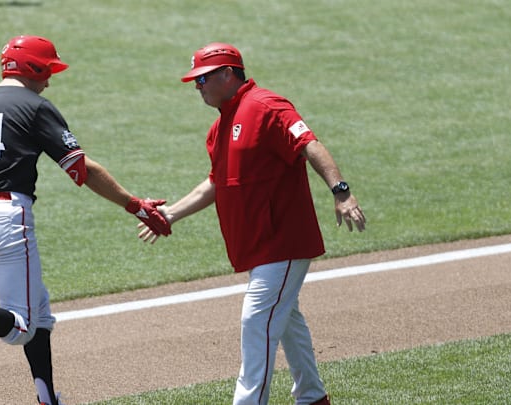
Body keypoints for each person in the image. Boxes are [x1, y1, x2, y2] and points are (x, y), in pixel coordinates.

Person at [0, 35, 171, 405]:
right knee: (21, 327)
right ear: (32, 68)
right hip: (6, 221)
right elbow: (82, 169)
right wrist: (135, 205)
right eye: (47, 70)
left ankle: (47, 399)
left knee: (39, 313)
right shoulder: (35, 107)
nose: (49, 80)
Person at [138, 43, 366, 405]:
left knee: (256, 322)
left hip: (283, 242)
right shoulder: (218, 129)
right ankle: (312, 397)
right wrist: (171, 214)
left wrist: (341, 191)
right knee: (287, 322)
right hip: (257, 248)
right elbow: (216, 182)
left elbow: (309, 143)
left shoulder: (267, 106)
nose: (197, 87)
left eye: (203, 79)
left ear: (228, 74)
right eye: (195, 81)